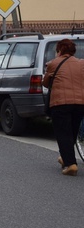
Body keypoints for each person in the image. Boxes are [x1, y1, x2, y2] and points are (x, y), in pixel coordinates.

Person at [42, 39, 84, 176]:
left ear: (59, 50)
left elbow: (46, 83)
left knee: (63, 133)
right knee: (72, 132)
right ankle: (65, 157)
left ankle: (70, 164)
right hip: (79, 103)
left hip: (60, 104)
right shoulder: (81, 63)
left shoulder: (53, 64)